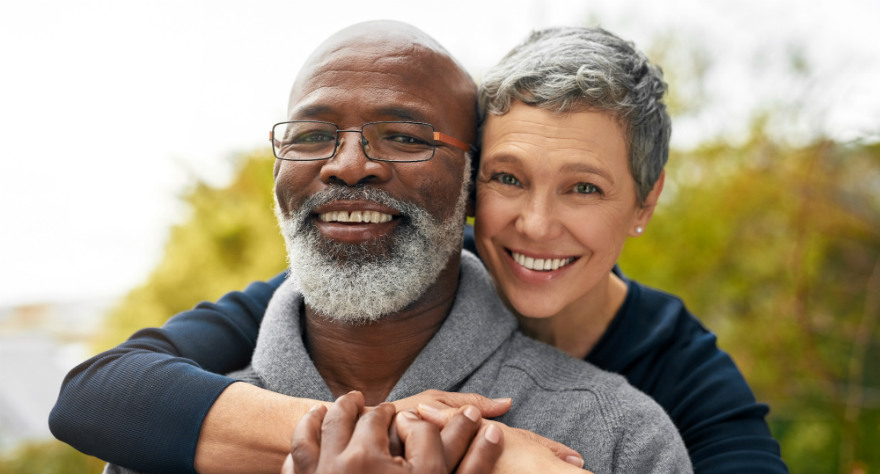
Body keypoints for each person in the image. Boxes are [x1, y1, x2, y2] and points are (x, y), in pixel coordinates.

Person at [48, 23, 787, 474]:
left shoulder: (665, 389)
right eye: (509, 179)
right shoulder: (366, 262)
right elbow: (98, 392)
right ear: (473, 193)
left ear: (645, 203)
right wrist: (403, 435)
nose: (533, 225)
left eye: (584, 189)